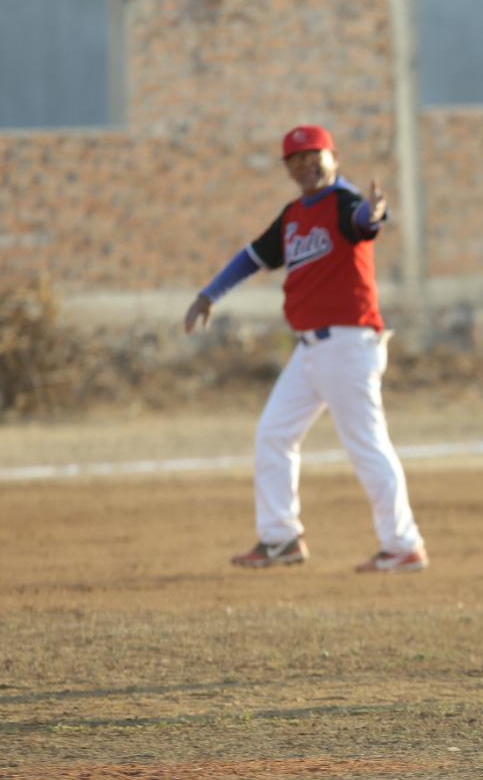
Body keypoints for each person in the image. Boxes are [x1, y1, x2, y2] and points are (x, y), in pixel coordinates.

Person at [183, 125, 428, 575]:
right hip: (311, 350)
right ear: (287, 168)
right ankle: (280, 538)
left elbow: (362, 221)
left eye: (315, 155)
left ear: (334, 158)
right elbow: (251, 257)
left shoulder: (343, 201)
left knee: (366, 445)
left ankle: (402, 544)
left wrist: (373, 213)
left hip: (348, 345)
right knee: (274, 434)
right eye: (296, 159)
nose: (306, 164)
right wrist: (208, 295)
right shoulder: (294, 215)